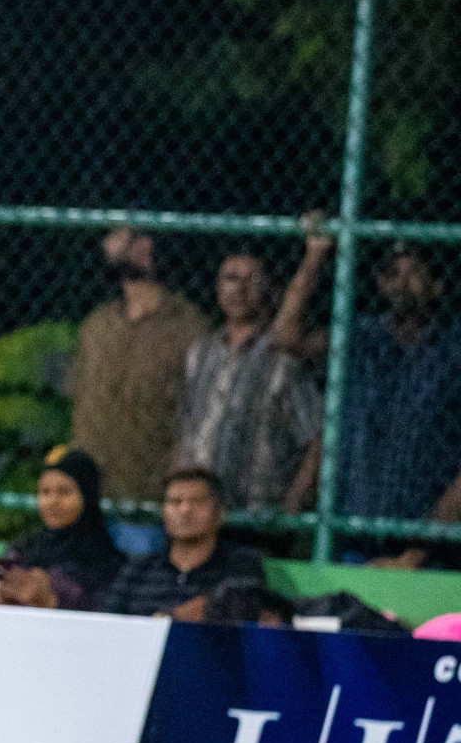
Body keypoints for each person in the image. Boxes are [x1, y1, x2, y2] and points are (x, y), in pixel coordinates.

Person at [174, 233, 328, 512]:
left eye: (252, 280)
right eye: (231, 279)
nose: (239, 290)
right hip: (197, 508)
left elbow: (316, 437)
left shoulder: (284, 358)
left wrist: (294, 500)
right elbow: (185, 429)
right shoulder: (200, 353)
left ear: (270, 288)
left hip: (256, 510)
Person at [335, 243, 461, 568]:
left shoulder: (452, 350)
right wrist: (316, 253)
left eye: (415, 272)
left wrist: (417, 551)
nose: (402, 283)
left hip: (430, 544)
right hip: (356, 531)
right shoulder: (364, 337)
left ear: (438, 285)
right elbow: (285, 337)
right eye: (392, 273)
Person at [69, 226, 209, 502]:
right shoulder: (98, 325)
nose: (107, 243)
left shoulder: (189, 328)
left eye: (118, 234)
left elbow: (198, 412)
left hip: (152, 489)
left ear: (144, 246)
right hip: (88, 486)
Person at [103, 469, 266, 619]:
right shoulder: (138, 570)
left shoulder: (242, 565)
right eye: (175, 502)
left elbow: (244, 602)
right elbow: (108, 623)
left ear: (219, 513)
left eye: (197, 501)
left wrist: (171, 619)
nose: (185, 509)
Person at [0, 447, 125, 611]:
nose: (52, 501)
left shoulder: (106, 560)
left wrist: (50, 600)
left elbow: (107, 615)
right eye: (45, 492)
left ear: (88, 497)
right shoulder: (24, 549)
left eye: (64, 492)